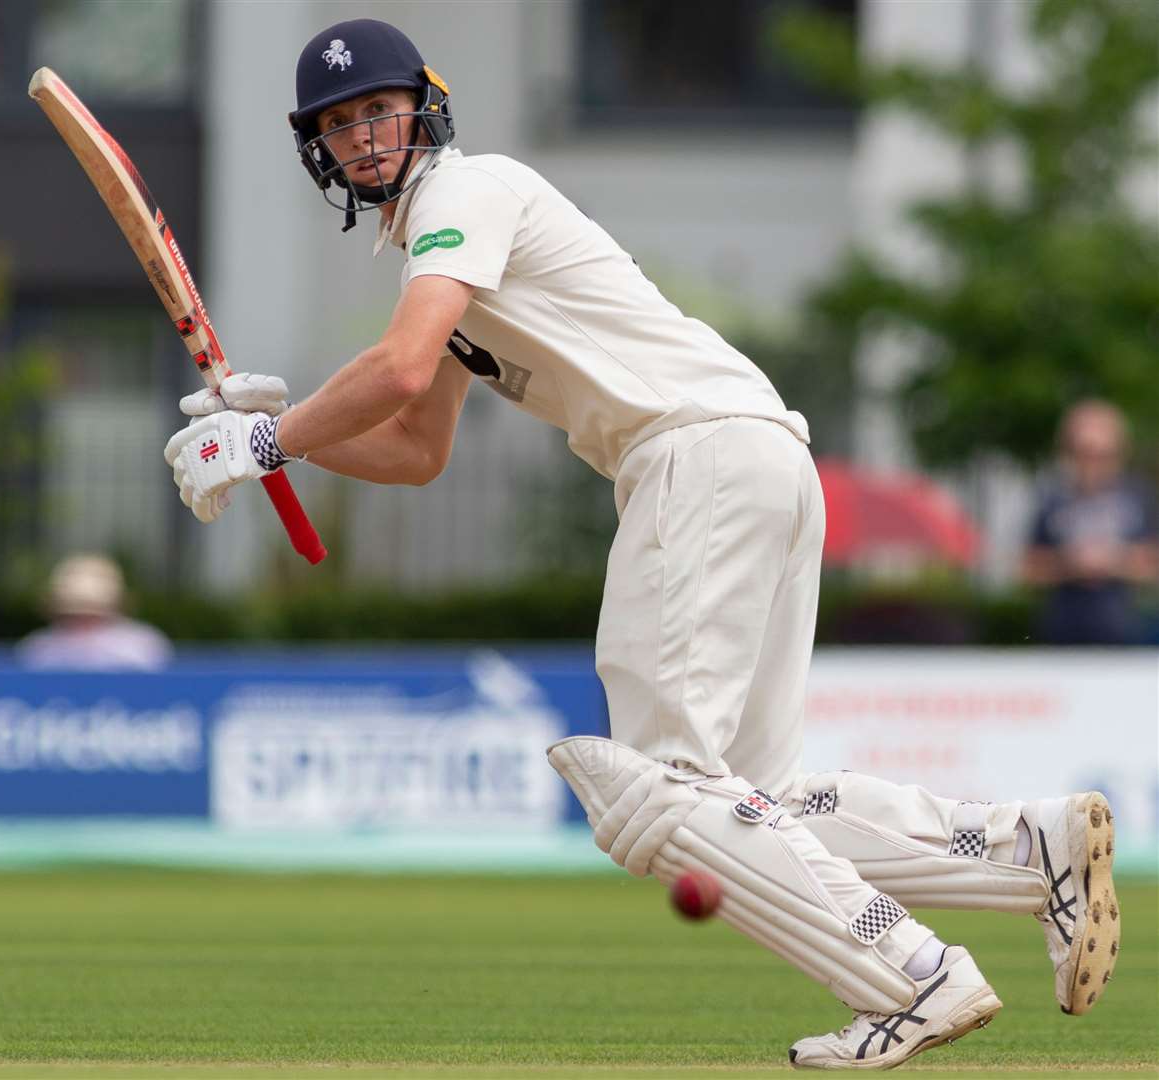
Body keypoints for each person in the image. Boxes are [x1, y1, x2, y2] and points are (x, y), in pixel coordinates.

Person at [163, 20, 1119, 1069]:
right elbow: (414, 445)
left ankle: (914, 975)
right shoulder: (443, 247)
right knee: (755, 800)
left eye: (377, 108)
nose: (363, 136)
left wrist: (258, 442)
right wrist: (283, 432)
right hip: (752, 454)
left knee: (655, 790)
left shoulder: (464, 193)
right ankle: (1029, 851)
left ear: (424, 106)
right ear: (320, 150)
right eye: (339, 123)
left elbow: (395, 370)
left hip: (695, 461)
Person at [1023, 400, 1159, 645]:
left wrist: (1113, 560)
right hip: (1061, 634)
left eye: (1102, 455)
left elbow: (1152, 563)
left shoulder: (1139, 498)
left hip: (1125, 634)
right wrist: (1070, 562)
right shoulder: (1052, 499)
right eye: (1084, 453)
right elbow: (1029, 568)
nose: (1092, 464)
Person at [15, 553, 173, 671]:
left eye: (91, 614)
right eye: (74, 615)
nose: (82, 622)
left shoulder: (142, 644)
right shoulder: (38, 648)